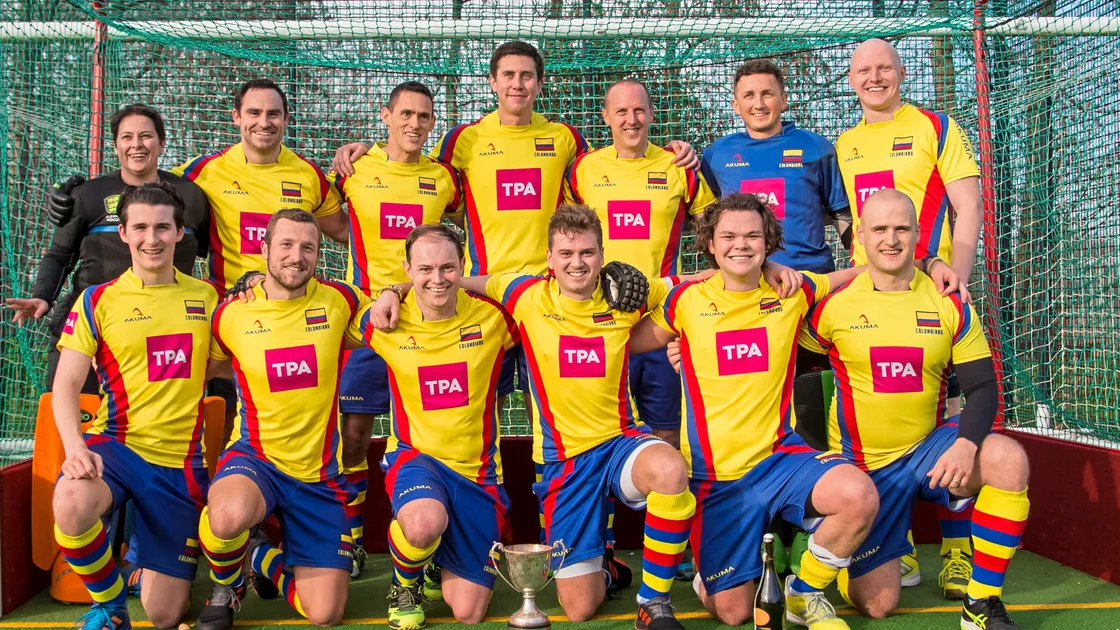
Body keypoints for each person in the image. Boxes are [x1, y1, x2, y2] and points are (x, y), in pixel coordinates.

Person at [369, 205, 800, 629]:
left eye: (588, 253)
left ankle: (653, 602)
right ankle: (605, 566)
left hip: (619, 442)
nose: (577, 263)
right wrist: (393, 289)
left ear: (601, 253)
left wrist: (770, 267)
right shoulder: (522, 296)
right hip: (564, 463)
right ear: (550, 259)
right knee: (577, 608)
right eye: (567, 254)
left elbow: (702, 278)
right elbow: (454, 278)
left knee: (670, 468)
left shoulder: (625, 293)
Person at [332, 42, 698, 422]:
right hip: (487, 297)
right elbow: (416, 170)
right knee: (483, 407)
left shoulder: (566, 139)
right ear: (492, 81)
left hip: (549, 298)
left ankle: (553, 476)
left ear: (540, 84)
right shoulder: (463, 139)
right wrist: (369, 152)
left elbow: (615, 171)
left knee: (558, 407)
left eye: (527, 76)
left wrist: (668, 151)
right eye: (508, 75)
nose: (517, 84)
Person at [627, 192, 880, 629]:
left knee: (859, 496)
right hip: (715, 478)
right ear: (710, 242)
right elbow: (626, 343)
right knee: (734, 614)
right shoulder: (685, 300)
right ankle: (716, 572)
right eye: (728, 236)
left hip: (781, 458)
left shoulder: (792, 289)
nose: (740, 245)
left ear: (768, 242)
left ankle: (805, 591)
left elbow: (855, 274)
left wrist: (930, 263)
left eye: (752, 236)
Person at [802, 189, 1030, 630]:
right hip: (863, 471)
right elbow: (788, 371)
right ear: (861, 237)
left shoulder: (948, 298)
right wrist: (813, 456)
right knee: (878, 603)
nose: (891, 239)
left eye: (901, 228)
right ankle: (855, 556)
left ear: (918, 234)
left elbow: (983, 387)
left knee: (1006, 458)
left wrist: (966, 445)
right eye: (881, 229)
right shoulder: (832, 304)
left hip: (929, 450)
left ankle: (981, 605)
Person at [836, 37, 984, 596]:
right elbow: (853, 223)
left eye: (884, 69)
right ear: (850, 80)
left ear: (902, 73)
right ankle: (888, 544)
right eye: (863, 71)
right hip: (864, 294)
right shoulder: (845, 143)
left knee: (944, 416)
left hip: (927, 289)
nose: (875, 78)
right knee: (866, 412)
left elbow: (968, 204)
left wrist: (957, 273)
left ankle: (954, 551)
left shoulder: (937, 128)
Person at [50, 182, 221, 630]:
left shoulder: (207, 298)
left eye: (163, 227)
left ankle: (145, 563)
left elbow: (230, 361)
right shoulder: (97, 300)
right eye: (140, 227)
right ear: (122, 233)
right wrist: (74, 449)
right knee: (70, 501)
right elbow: (66, 386)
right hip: (118, 447)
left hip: (181, 465)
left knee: (165, 615)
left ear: (180, 232)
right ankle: (110, 606)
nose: (152, 238)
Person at [195, 209, 368, 630]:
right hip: (257, 460)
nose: (297, 256)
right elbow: (207, 369)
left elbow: (389, 311)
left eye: (308, 247)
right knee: (227, 516)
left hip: (319, 477)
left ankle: (260, 556)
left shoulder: (340, 300)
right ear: (265, 250)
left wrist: (392, 292)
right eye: (286, 245)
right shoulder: (231, 314)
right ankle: (226, 585)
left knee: (325, 614)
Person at [326, 80, 463, 580]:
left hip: (429, 324)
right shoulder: (353, 170)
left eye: (425, 116)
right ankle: (353, 540)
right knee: (355, 434)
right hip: (366, 324)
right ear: (384, 115)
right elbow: (326, 220)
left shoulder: (445, 179)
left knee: (434, 431)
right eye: (405, 114)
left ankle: (432, 549)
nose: (414, 124)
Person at [350, 224, 516, 628]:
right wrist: (390, 291)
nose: (437, 279)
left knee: (470, 612)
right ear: (407, 269)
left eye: (447, 267)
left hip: (477, 474)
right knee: (423, 524)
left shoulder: (496, 319)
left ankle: (430, 561)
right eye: (425, 269)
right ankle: (403, 584)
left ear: (463, 266)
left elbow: (545, 296)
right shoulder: (382, 322)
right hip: (416, 459)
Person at [171, 78, 349, 446]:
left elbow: (349, 231)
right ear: (236, 117)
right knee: (215, 423)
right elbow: (143, 189)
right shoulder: (203, 171)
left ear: (286, 119)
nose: (263, 122)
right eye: (254, 112)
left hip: (293, 321)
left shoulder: (307, 175)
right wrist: (81, 198)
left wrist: (368, 159)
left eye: (273, 114)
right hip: (229, 319)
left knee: (285, 429)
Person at [7, 105, 208, 396]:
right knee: (71, 423)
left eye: (146, 136)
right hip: (92, 329)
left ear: (162, 143)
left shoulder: (190, 195)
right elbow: (60, 254)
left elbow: (211, 252)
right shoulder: (89, 193)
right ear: (115, 146)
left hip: (165, 333)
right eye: (127, 137)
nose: (136, 145)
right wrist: (42, 296)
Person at [564, 78, 717, 448]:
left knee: (667, 428)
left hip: (663, 321)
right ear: (605, 117)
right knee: (601, 430)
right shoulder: (583, 169)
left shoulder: (679, 166)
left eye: (638, 110)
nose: (631, 119)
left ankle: (666, 505)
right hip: (600, 320)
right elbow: (565, 238)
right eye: (621, 111)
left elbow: (716, 230)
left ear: (651, 113)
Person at [701, 59, 851, 276]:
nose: (759, 104)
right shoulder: (717, 154)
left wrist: (862, 263)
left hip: (809, 279)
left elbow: (841, 213)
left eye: (767, 94)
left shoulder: (816, 147)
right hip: (746, 282)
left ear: (783, 100)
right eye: (749, 95)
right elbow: (704, 213)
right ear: (736, 106)